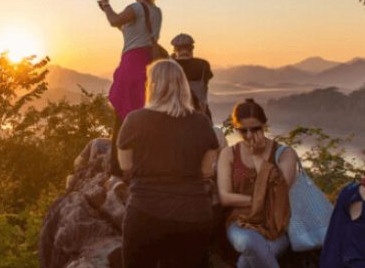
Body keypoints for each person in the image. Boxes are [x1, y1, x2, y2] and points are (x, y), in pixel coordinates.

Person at [117, 59, 219, 268]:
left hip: (145, 211)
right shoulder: (202, 122)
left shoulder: (135, 120)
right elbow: (206, 171)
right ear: (183, 86)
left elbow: (125, 165)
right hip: (193, 214)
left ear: (152, 86)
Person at [218, 99, 298, 268]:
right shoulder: (229, 154)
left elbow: (279, 193)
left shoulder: (284, 154)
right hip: (240, 222)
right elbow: (225, 197)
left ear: (265, 125)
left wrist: (257, 157)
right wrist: (261, 199)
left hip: (275, 225)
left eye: (255, 129)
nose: (249, 136)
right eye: (243, 130)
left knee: (245, 262)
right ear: (235, 128)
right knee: (249, 243)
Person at [98, 0, 162, 177]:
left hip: (132, 64)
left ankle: (119, 168)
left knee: (124, 115)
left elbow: (114, 21)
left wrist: (107, 7)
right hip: (149, 64)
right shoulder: (156, 11)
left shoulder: (135, 8)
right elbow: (133, 32)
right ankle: (144, 161)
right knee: (141, 113)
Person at [171, 33, 214, 119]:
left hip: (176, 114)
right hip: (202, 114)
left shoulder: (170, 65)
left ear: (175, 49)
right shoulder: (203, 64)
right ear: (192, 48)